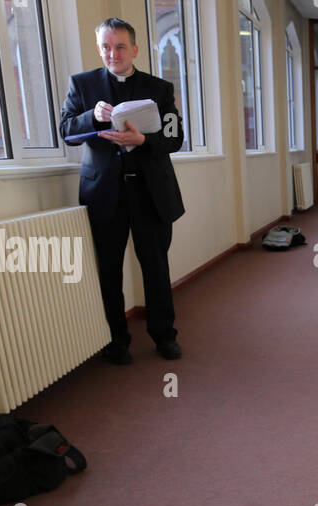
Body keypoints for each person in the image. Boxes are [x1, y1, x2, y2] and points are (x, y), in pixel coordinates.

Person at [59, 17, 185, 364]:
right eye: (105, 47)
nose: (112, 53)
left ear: (134, 49)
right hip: (104, 195)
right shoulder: (82, 85)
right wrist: (91, 116)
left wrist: (143, 139)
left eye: (119, 46)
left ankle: (164, 336)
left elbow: (174, 136)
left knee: (156, 268)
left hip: (150, 193)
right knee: (108, 270)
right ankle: (117, 341)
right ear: (99, 48)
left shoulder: (159, 88)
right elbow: (67, 131)